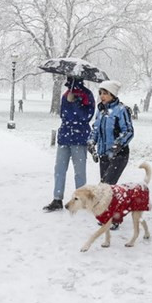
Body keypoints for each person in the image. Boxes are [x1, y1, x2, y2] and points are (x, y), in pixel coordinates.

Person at [43, 77, 95, 212]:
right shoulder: (66, 94)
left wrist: (76, 103)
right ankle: (57, 198)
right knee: (59, 170)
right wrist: (68, 101)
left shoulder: (87, 95)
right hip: (64, 137)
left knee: (79, 172)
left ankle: (82, 199)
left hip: (79, 137)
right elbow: (63, 114)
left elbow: (86, 116)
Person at [88, 80, 134, 230]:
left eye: (105, 93)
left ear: (113, 94)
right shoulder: (101, 110)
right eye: (100, 93)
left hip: (119, 155)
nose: (102, 96)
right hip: (104, 154)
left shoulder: (121, 110)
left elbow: (128, 131)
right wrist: (91, 142)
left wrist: (117, 145)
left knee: (108, 187)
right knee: (104, 186)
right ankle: (108, 215)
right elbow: (95, 129)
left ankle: (114, 219)